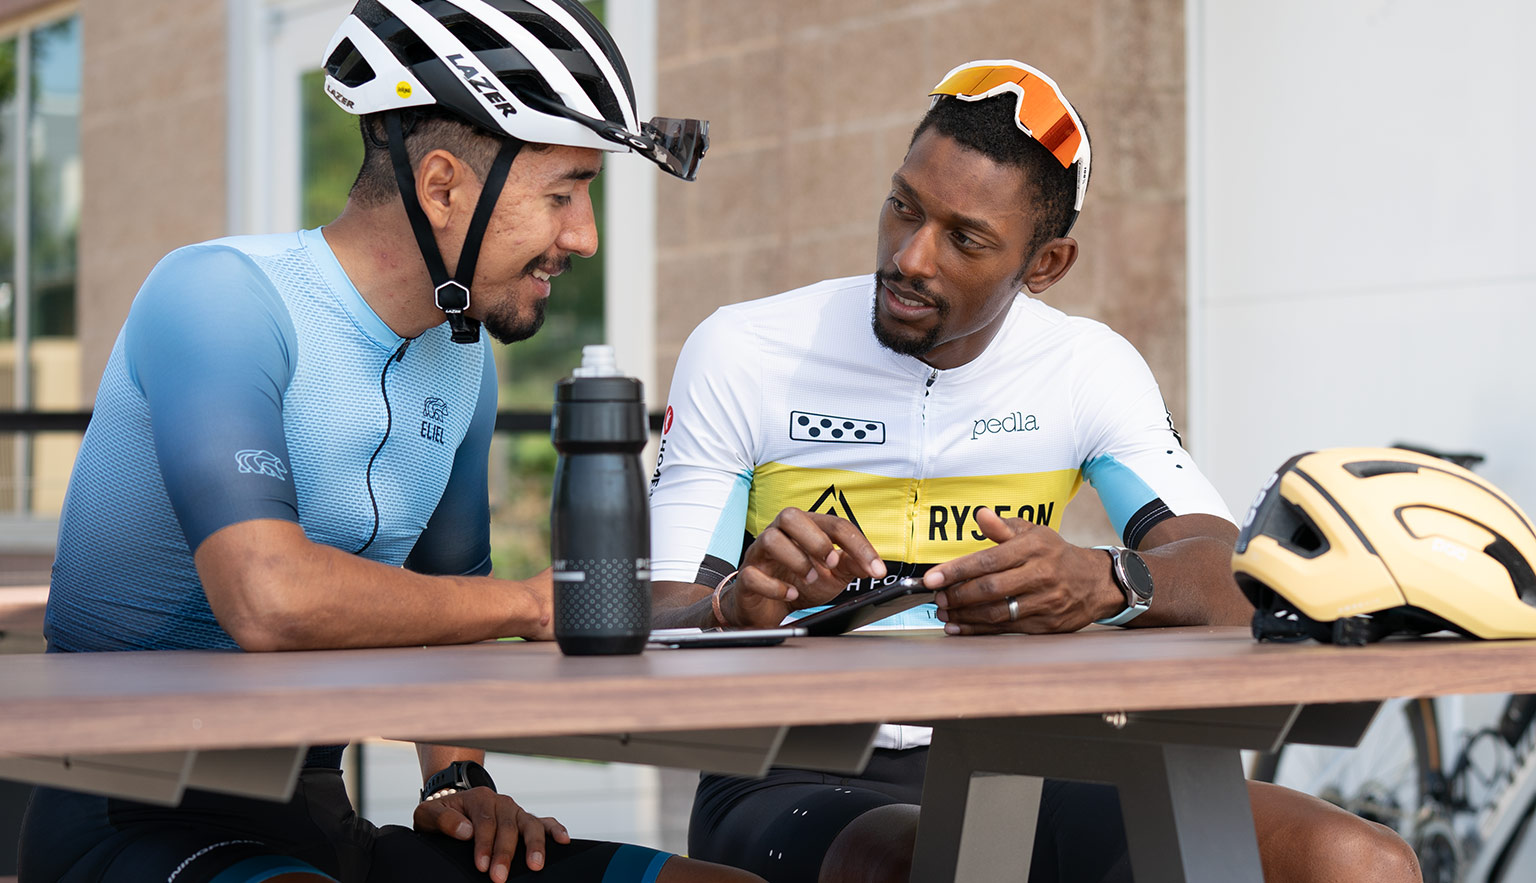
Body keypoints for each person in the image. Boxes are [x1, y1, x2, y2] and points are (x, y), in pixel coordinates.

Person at [19, 3, 755, 883]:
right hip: (127, 814)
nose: (583, 236)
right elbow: (265, 594)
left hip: (315, 813)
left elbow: (448, 595)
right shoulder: (218, 296)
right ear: (442, 186)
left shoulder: (464, 359)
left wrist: (458, 776)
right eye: (561, 194)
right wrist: (534, 605)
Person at [648, 60, 1422, 883]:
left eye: (965, 238)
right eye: (903, 205)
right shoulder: (745, 349)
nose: (911, 256)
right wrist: (740, 606)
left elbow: (1233, 582)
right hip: (790, 766)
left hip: (1022, 751)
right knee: (919, 859)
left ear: (1047, 264)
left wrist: (1111, 581)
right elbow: (661, 615)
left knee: (1359, 860)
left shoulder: (1085, 367)